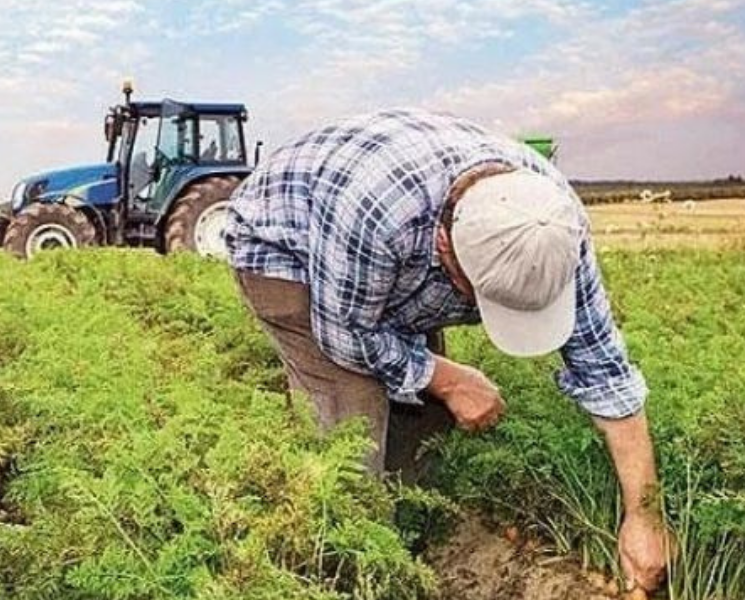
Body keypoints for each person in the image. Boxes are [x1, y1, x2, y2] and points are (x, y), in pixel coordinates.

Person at [224, 109, 670, 592]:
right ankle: (345, 568)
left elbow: (605, 372)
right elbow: (346, 336)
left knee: (423, 413)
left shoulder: (552, 224)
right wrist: (451, 378)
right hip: (288, 250)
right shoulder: (378, 214)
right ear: (444, 247)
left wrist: (645, 515)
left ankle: (421, 541)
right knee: (351, 427)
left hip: (385, 254)